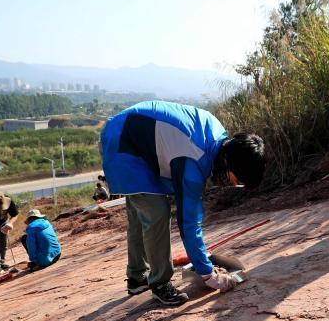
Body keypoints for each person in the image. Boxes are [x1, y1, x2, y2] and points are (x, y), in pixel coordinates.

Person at [100, 100, 265, 306]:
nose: (231, 184)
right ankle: (160, 283)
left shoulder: (216, 135)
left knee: (140, 211)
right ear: (229, 163)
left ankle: (137, 278)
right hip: (122, 145)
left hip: (126, 133)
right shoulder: (194, 158)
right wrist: (208, 274)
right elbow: (188, 223)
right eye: (236, 180)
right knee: (156, 212)